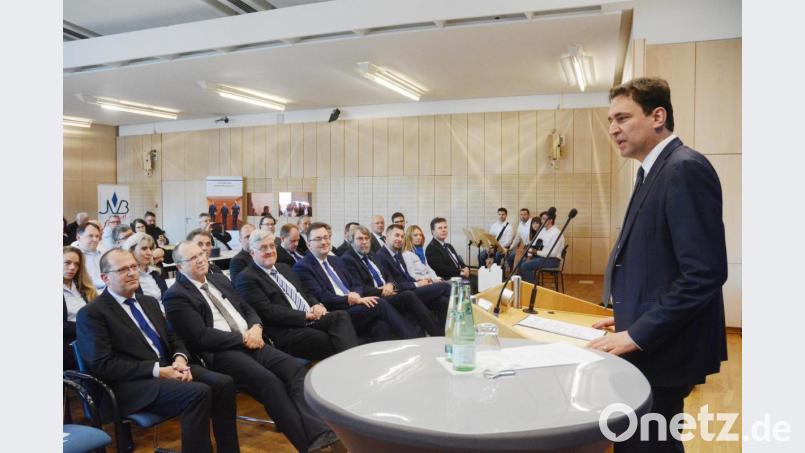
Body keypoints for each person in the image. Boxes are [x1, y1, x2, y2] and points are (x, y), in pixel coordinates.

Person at [587, 77, 728, 452]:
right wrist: (630, 316)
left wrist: (636, 333)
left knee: (650, 444)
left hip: (665, 349)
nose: (613, 129)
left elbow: (704, 274)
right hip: (654, 339)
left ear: (657, 116)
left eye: (622, 118)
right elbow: (659, 264)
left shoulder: (683, 168)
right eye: (609, 121)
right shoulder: (653, 170)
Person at [163, 241, 340, 453]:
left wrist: (256, 327)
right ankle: (308, 446)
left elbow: (246, 307)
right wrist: (242, 339)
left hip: (252, 340)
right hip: (221, 352)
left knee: (294, 369)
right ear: (179, 266)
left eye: (201, 254)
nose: (201, 259)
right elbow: (200, 336)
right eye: (193, 258)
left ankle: (319, 432)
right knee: (270, 383)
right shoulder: (176, 295)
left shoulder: (218, 279)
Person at [76, 248, 240, 453]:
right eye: (123, 269)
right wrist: (158, 371)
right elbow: (103, 365)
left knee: (224, 383)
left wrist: (180, 358)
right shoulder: (92, 313)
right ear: (105, 278)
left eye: (133, 267)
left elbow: (173, 336)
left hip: (167, 367)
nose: (131, 273)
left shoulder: (149, 302)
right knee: (198, 392)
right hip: (129, 385)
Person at [235, 230, 359, 360]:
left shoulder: (284, 268)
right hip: (286, 328)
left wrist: (316, 304)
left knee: (341, 316)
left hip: (310, 317)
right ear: (253, 253)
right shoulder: (246, 278)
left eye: (272, 246)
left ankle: (350, 362)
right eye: (263, 248)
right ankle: (351, 364)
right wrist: (305, 315)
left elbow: (305, 291)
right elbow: (267, 311)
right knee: (329, 338)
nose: (269, 251)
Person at [293, 222, 420, 341]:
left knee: (381, 325)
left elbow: (355, 284)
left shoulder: (335, 260)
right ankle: (413, 339)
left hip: (355, 304)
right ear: (309, 245)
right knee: (380, 303)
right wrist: (351, 299)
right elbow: (322, 296)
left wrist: (357, 295)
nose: (324, 242)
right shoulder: (303, 267)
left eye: (326, 237)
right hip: (337, 311)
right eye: (318, 239)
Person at [342, 225, 440, 336]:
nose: (364, 242)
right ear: (351, 241)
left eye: (367, 238)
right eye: (360, 239)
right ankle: (418, 336)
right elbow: (359, 286)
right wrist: (382, 291)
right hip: (375, 298)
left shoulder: (372, 255)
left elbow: (388, 276)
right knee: (408, 295)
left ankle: (436, 334)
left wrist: (389, 284)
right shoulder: (348, 259)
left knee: (438, 298)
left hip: (389, 293)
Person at [377, 224, 450, 328]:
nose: (400, 239)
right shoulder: (381, 256)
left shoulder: (398, 254)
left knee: (443, 301)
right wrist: (417, 284)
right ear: (386, 237)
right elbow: (393, 283)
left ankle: (444, 333)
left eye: (402, 236)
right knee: (445, 286)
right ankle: (470, 315)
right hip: (402, 293)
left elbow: (407, 276)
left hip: (411, 288)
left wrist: (422, 282)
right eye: (396, 235)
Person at [64, 245, 97, 369]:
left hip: (91, 337)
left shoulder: (83, 288)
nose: (72, 267)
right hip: (68, 342)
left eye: (76, 264)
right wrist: (86, 328)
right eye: (67, 263)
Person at [518, 210, 565, 284]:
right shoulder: (543, 230)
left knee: (525, 266)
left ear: (550, 220)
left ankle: (535, 288)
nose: (541, 221)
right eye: (541, 219)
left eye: (543, 219)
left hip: (552, 260)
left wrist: (536, 252)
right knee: (521, 262)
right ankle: (527, 285)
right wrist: (529, 257)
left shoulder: (556, 233)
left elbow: (552, 253)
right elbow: (532, 244)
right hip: (542, 257)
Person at [124, 233, 169, 305]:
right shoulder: (127, 276)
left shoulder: (156, 272)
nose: (149, 253)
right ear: (131, 251)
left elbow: (167, 299)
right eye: (144, 248)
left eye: (151, 249)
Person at [75, 222, 105, 290]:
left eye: (97, 236)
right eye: (90, 236)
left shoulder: (103, 253)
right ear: (78, 237)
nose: (95, 239)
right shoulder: (73, 256)